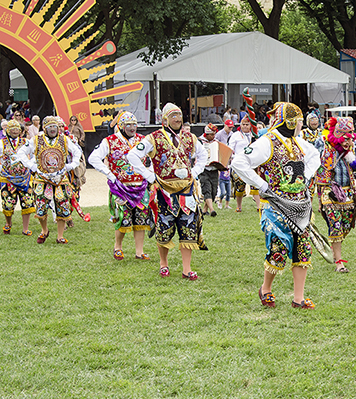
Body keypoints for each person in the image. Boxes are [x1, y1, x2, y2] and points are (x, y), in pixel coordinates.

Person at [231, 102, 321, 308]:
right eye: (298, 121)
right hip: (276, 205)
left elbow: (315, 156)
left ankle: (298, 298)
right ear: (289, 122)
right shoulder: (267, 142)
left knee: (302, 249)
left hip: (301, 205)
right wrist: (262, 185)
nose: (301, 125)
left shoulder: (297, 142)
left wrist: (304, 177)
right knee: (277, 248)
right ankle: (266, 288)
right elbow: (239, 162)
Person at [127, 103, 209, 280]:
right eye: (173, 116)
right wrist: (149, 176)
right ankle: (163, 264)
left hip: (187, 190)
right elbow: (132, 155)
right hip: (164, 191)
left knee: (188, 228)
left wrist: (194, 172)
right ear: (165, 119)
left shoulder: (190, 137)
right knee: (164, 228)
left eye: (179, 115)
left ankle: (187, 269)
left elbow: (203, 156)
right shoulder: (153, 138)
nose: (177, 119)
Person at [88, 111, 153, 260]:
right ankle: (118, 247)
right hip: (120, 188)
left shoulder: (142, 141)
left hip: (141, 186)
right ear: (121, 126)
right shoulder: (110, 141)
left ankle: (139, 252)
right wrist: (109, 174)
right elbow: (93, 158)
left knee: (141, 219)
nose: (132, 128)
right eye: (128, 125)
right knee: (123, 217)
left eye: (134, 125)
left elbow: (155, 156)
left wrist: (149, 173)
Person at [316, 117, 356, 273]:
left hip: (349, 193)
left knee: (345, 226)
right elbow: (310, 162)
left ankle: (335, 248)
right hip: (329, 192)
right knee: (335, 226)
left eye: (349, 139)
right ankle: (339, 263)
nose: (346, 142)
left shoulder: (353, 149)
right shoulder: (322, 145)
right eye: (343, 139)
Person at [14, 116, 82, 244]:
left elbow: (77, 152)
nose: (52, 129)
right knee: (41, 206)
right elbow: (21, 152)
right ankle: (44, 230)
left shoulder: (64, 139)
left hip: (60, 177)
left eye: (55, 127)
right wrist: (32, 166)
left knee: (62, 205)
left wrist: (71, 165)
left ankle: (60, 236)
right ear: (44, 128)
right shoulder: (36, 140)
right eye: (50, 127)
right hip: (42, 178)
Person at [0, 119, 35, 235]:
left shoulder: (26, 142)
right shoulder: (2, 143)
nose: (15, 131)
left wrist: (31, 165)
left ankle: (25, 228)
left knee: (27, 201)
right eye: (12, 129)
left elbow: (35, 153)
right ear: (8, 130)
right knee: (8, 202)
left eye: (17, 129)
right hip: (7, 178)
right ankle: (8, 224)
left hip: (24, 178)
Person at [227, 116, 260, 212]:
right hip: (239, 162)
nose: (245, 126)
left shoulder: (254, 135)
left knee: (255, 184)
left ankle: (259, 206)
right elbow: (230, 148)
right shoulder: (235, 135)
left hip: (252, 162)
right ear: (240, 125)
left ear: (250, 126)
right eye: (243, 124)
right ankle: (239, 206)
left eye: (247, 124)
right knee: (239, 185)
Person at [198, 123, 220, 217]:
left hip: (214, 169)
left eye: (214, 134)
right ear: (206, 134)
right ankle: (212, 210)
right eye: (211, 134)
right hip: (203, 169)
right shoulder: (200, 142)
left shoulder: (216, 143)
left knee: (213, 191)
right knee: (206, 189)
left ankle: (204, 210)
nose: (213, 136)